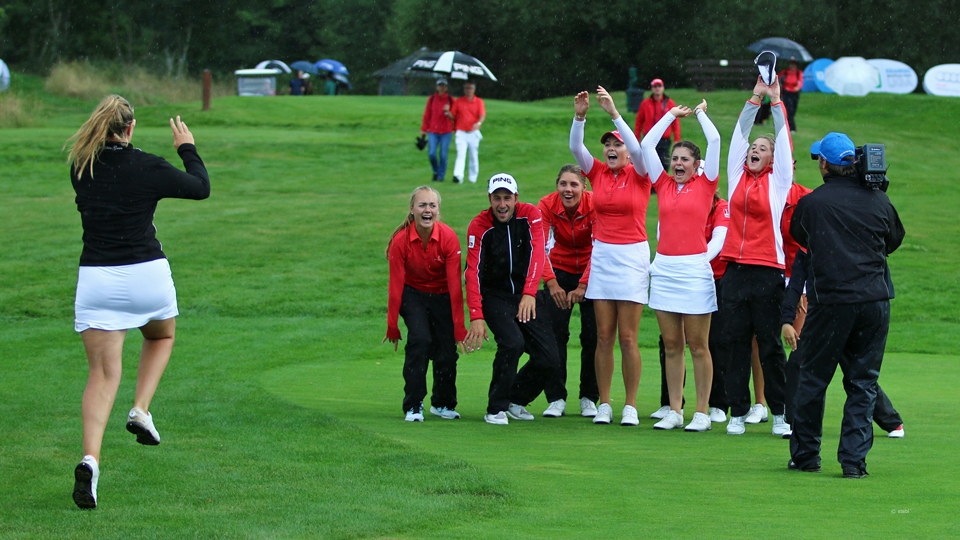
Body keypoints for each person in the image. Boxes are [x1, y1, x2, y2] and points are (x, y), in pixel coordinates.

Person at [66, 95, 210, 509]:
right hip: (146, 273)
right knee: (161, 337)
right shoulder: (147, 165)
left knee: (102, 375)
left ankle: (90, 460)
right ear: (129, 129)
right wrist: (186, 147)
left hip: (96, 279)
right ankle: (141, 408)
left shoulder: (81, 166)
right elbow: (200, 188)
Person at [787, 132, 905, 477]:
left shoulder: (812, 203)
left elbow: (801, 237)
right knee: (862, 382)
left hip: (832, 301)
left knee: (813, 377)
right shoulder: (879, 201)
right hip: (873, 300)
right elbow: (892, 241)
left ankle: (807, 456)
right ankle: (853, 462)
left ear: (824, 164)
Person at [569, 87, 651, 426]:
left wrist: (615, 113)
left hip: (633, 255)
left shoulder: (642, 172)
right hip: (602, 255)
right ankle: (604, 402)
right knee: (604, 335)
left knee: (629, 337)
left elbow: (638, 147)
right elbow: (576, 147)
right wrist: (580, 116)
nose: (613, 149)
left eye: (617, 144)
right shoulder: (598, 172)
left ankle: (630, 405)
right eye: (608, 144)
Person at [717, 76, 793, 436]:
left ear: (773, 158)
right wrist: (756, 96)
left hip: (768, 273)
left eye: (763, 147)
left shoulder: (779, 182)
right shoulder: (737, 176)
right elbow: (738, 136)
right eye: (754, 146)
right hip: (735, 271)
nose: (755, 149)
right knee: (734, 343)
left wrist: (776, 103)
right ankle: (738, 411)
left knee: (769, 345)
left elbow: (785, 145)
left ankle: (779, 413)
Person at [640, 99, 721, 432]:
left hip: (694, 270)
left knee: (698, 345)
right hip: (665, 270)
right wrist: (670, 116)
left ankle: (701, 411)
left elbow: (715, 141)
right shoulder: (661, 184)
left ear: (696, 164)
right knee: (672, 345)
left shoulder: (706, 183)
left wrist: (700, 114)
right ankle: (675, 409)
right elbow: (646, 144)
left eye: (684, 160)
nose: (677, 164)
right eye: (673, 159)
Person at [463, 173, 561, 425]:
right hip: (495, 297)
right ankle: (495, 407)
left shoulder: (530, 214)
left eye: (507, 198)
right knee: (512, 343)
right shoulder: (479, 225)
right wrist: (476, 314)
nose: (502, 204)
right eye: (497, 198)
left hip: (526, 294)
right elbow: (472, 273)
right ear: (489, 199)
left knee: (549, 358)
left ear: (516, 198)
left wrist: (529, 292)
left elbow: (538, 253)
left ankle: (516, 399)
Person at [384, 186, 468, 422]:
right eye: (422, 205)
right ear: (412, 209)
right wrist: (392, 326)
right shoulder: (399, 241)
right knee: (420, 341)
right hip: (413, 295)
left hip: (442, 295)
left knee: (446, 351)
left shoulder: (449, 237)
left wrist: (459, 328)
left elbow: (454, 286)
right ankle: (413, 404)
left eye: (432, 205)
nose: (427, 209)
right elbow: (395, 286)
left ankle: (442, 403)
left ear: (438, 210)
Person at [536, 164, 599, 418]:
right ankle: (556, 397)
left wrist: (584, 284)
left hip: (592, 271)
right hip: (558, 269)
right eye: (563, 184)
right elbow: (539, 246)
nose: (568, 189)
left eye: (574, 184)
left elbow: (600, 246)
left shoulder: (595, 204)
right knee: (555, 334)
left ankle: (589, 397)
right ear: (557, 186)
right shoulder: (547, 204)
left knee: (593, 336)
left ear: (585, 187)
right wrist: (551, 283)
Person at [633, 78, 680, 170]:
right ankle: (650, 184)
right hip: (649, 138)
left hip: (664, 140)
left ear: (663, 88)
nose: (657, 88)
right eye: (655, 86)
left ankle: (662, 183)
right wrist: (637, 137)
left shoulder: (670, 103)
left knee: (664, 163)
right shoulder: (645, 104)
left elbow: (676, 122)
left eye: (659, 86)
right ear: (652, 88)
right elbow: (639, 121)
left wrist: (676, 139)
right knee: (648, 164)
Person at [448, 81, 486, 184]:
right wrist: (447, 112)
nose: (468, 90)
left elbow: (482, 115)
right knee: (461, 154)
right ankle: (458, 176)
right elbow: (453, 115)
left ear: (474, 89)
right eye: (466, 88)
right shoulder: (459, 101)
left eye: (470, 88)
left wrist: (478, 123)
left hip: (473, 132)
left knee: (473, 155)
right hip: (461, 132)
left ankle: (473, 178)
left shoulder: (478, 101)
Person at [421, 79, 455, 182]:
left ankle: (441, 176)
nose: (442, 88)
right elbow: (427, 114)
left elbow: (455, 116)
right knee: (432, 153)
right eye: (440, 86)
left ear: (447, 88)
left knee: (443, 155)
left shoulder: (450, 100)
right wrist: (423, 129)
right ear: (436, 87)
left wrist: (447, 111)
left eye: (444, 86)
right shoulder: (431, 99)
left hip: (446, 131)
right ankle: (436, 171)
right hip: (433, 130)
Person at [778, 60, 803, 132]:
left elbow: (800, 81)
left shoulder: (798, 72)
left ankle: (789, 125)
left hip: (794, 93)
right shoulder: (785, 72)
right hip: (786, 92)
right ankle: (791, 127)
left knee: (793, 110)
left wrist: (798, 87)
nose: (791, 66)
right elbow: (778, 78)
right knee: (789, 109)